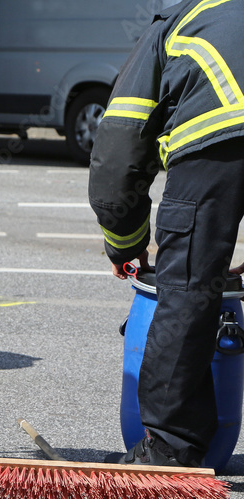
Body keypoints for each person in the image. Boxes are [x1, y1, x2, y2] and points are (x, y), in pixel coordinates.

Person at [89, 0, 244, 467]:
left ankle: (169, 451)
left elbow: (119, 155)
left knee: (188, 286)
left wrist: (125, 244)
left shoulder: (175, 25)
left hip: (218, 138)